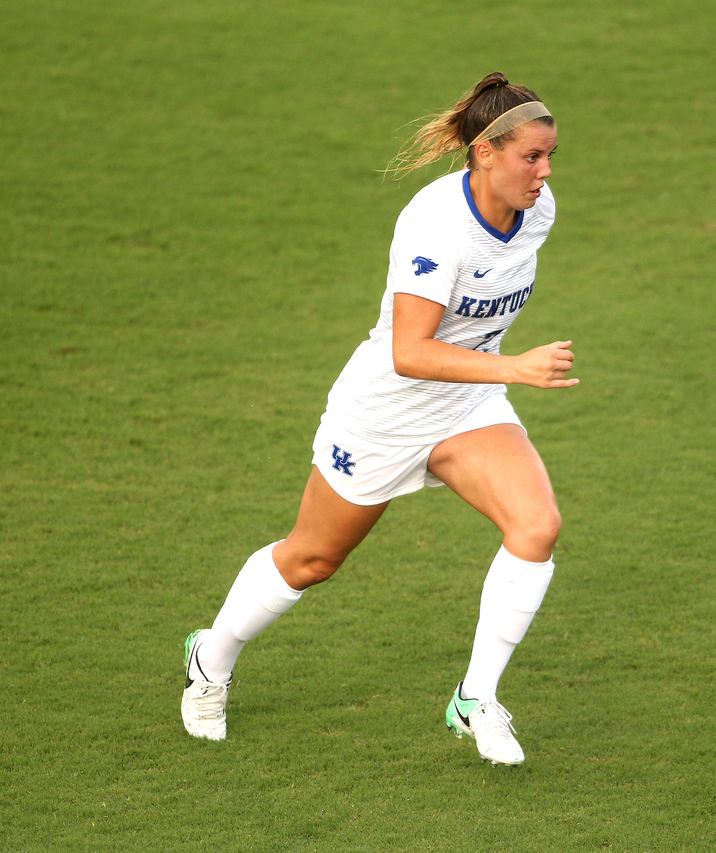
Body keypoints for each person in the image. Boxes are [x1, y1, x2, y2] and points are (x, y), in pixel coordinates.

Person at [180, 72, 573, 767]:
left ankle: (476, 697)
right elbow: (411, 350)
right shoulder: (435, 224)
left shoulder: (536, 211)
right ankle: (210, 659)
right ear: (484, 153)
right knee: (313, 557)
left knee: (537, 525)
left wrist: (498, 373)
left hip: (466, 403)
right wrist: (515, 367)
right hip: (386, 411)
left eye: (550, 157)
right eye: (530, 157)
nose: (544, 173)